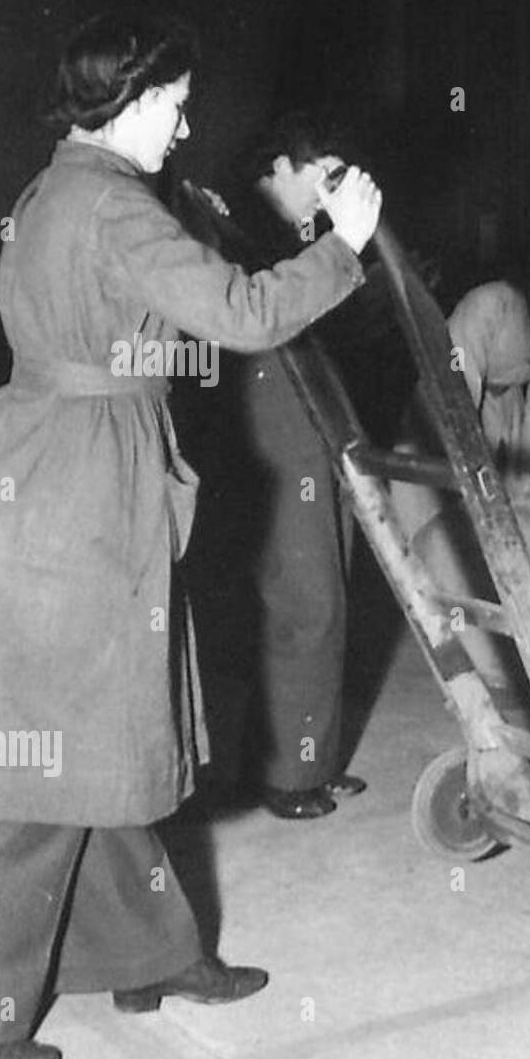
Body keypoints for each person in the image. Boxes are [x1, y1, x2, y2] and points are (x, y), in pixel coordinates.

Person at [0, 10, 382, 1059]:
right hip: (85, 489)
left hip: (45, 465)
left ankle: (153, 952)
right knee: (45, 766)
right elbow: (243, 313)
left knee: (101, 735)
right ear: (123, 104)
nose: (185, 119)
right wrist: (341, 245)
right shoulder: (113, 205)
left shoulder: (49, 189)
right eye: (170, 102)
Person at [178, 113, 397, 819]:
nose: (323, 195)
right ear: (274, 167)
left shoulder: (279, 236)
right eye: (319, 175)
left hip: (315, 429)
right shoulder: (221, 226)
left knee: (326, 592)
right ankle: (286, 776)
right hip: (273, 437)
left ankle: (310, 758)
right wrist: (339, 239)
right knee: (305, 603)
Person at [391, 227, 530, 695]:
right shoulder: (491, 303)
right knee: (419, 538)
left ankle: (495, 647)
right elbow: (457, 389)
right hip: (443, 409)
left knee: (510, 515)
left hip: (505, 412)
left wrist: (522, 473)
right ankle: (444, 654)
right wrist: (467, 471)